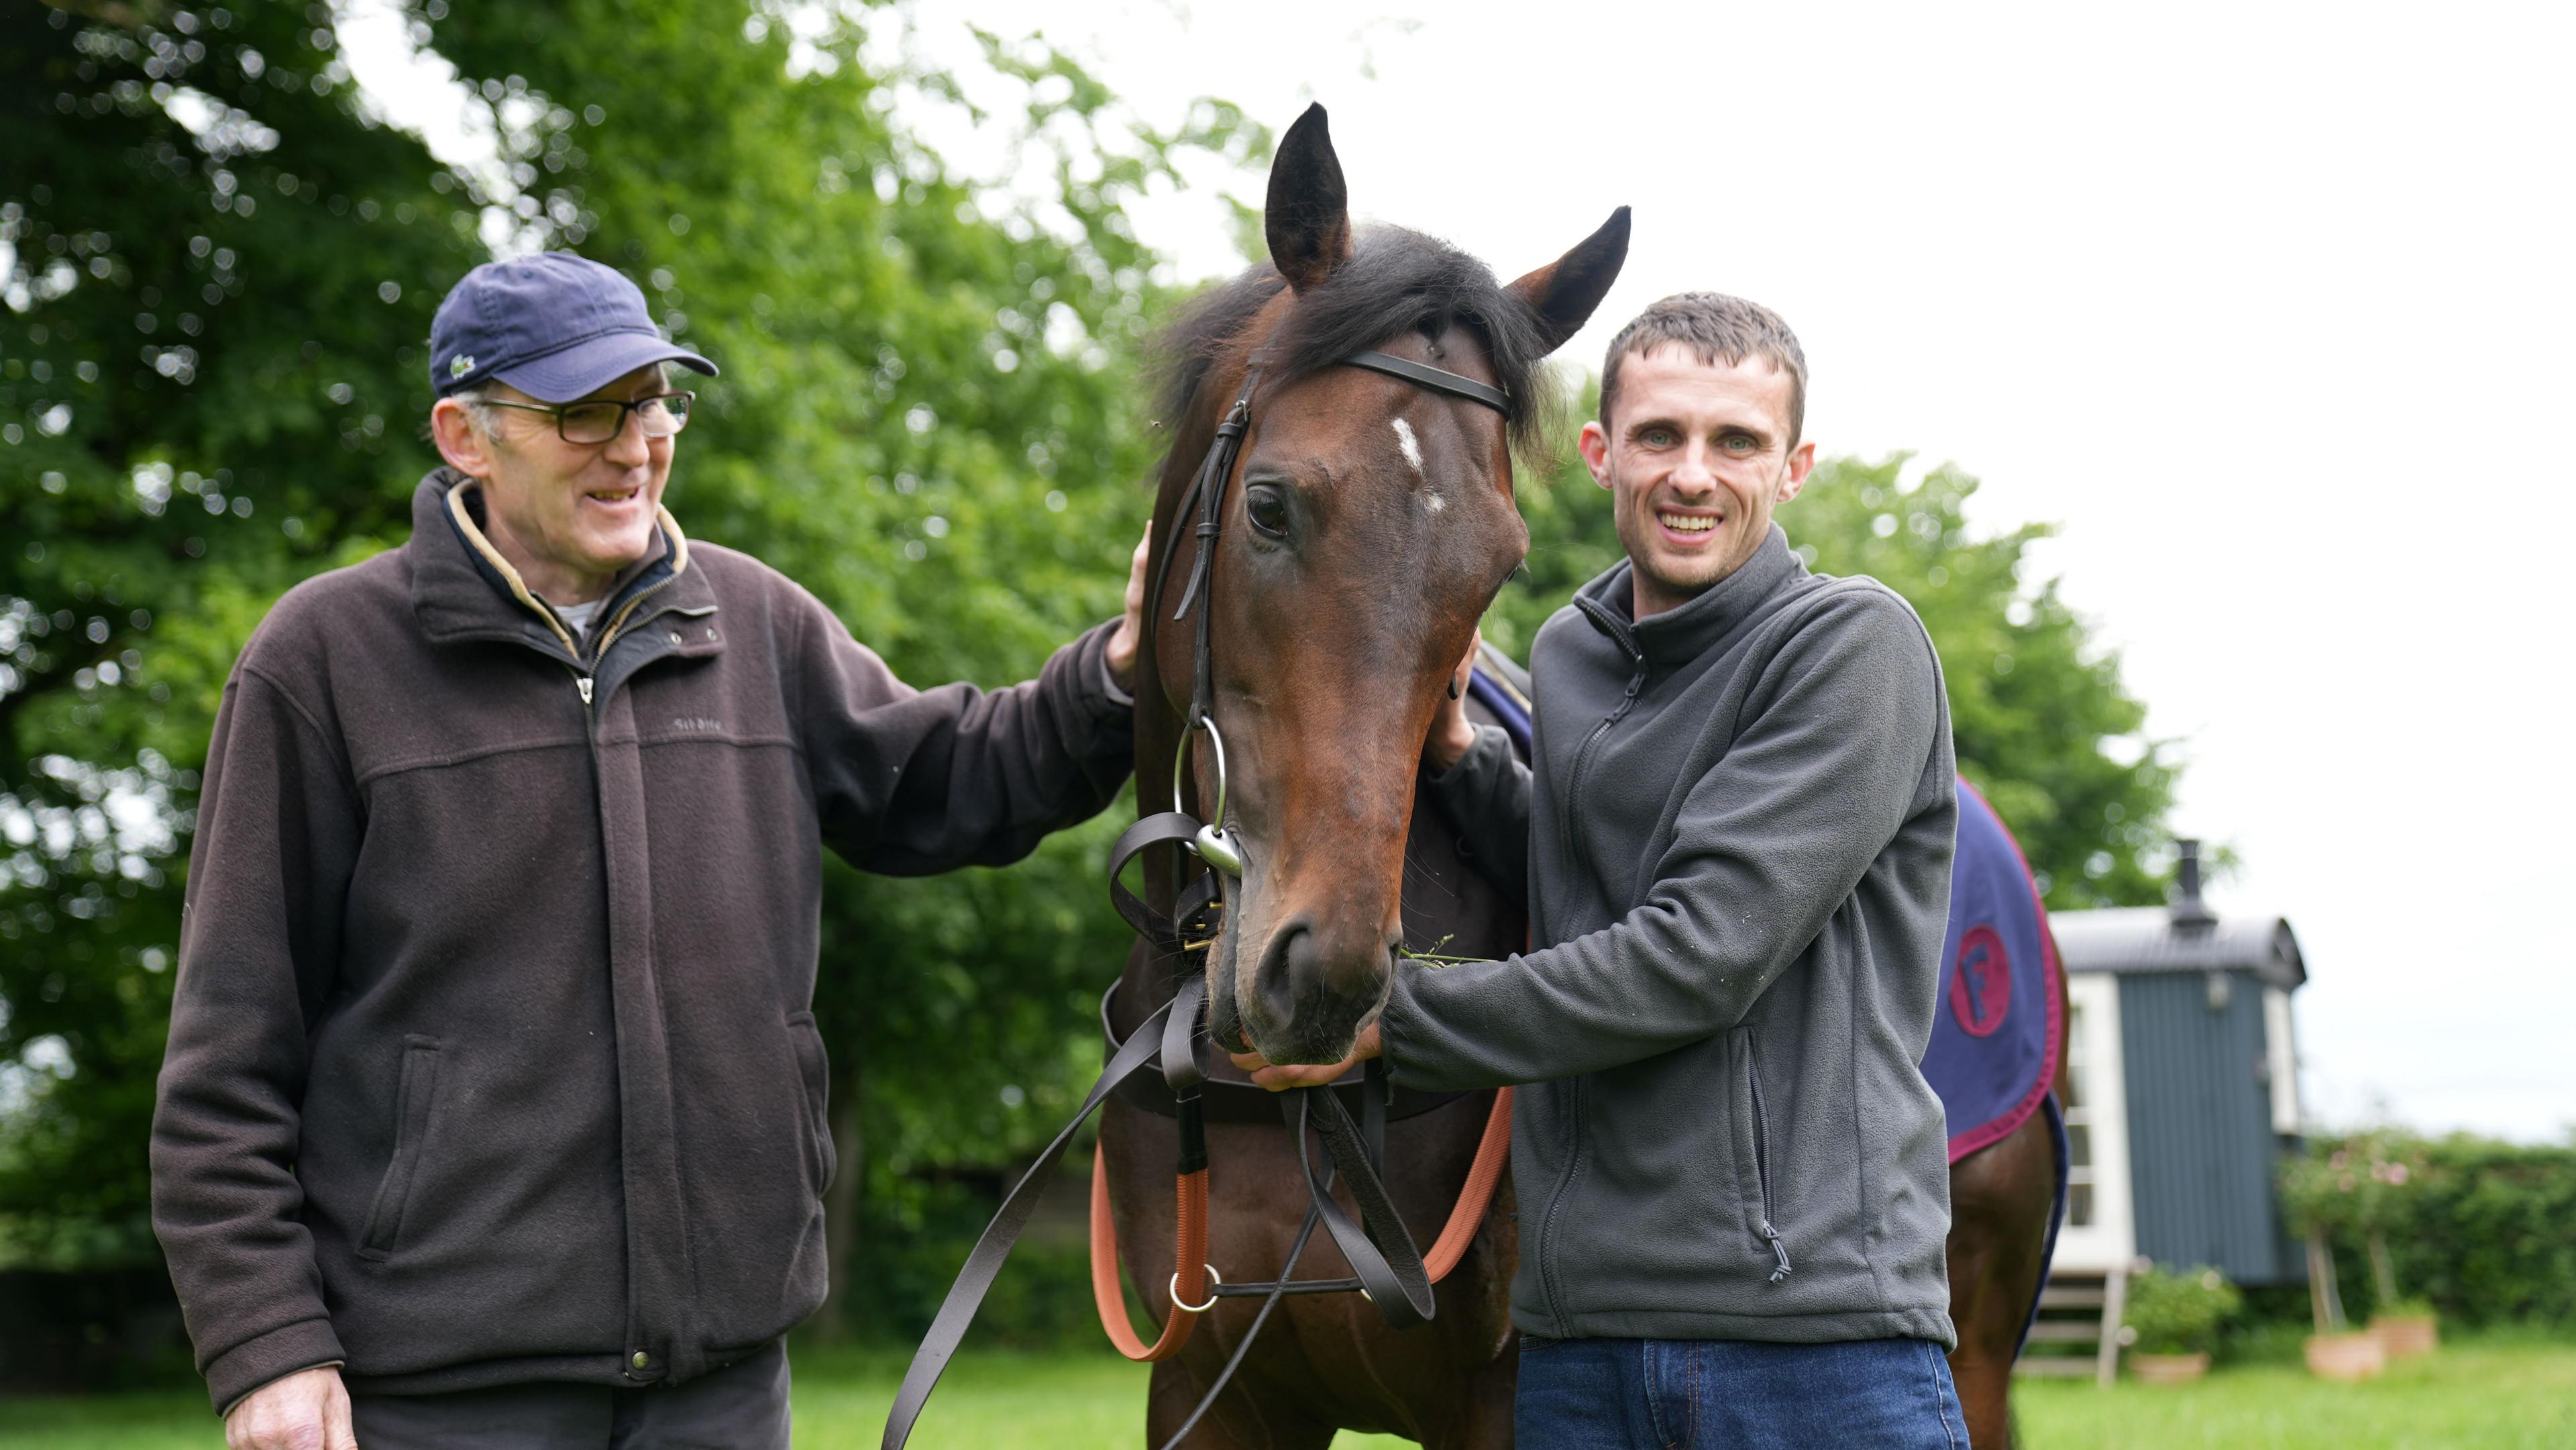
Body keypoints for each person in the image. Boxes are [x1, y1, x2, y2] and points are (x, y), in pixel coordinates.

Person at [149, 252, 1151, 1450]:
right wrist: (267, 1344)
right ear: (466, 434)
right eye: (584, 413)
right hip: (435, 1394)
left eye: (652, 402)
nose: (633, 446)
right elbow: (227, 1062)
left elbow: (955, 778)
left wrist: (1121, 671)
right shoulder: (322, 661)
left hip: (719, 1379)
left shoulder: (756, 622)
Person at [1241, 293, 1967, 1446]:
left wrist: (1387, 1014)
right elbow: (1587, 877)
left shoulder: (1852, 649)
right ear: (1600, 453)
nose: (1693, 473)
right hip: (1577, 1344)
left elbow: (1696, 955)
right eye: (1660, 435)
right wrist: (1464, 760)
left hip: (1810, 1341)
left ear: (1795, 468)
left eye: (1737, 442)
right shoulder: (1573, 654)